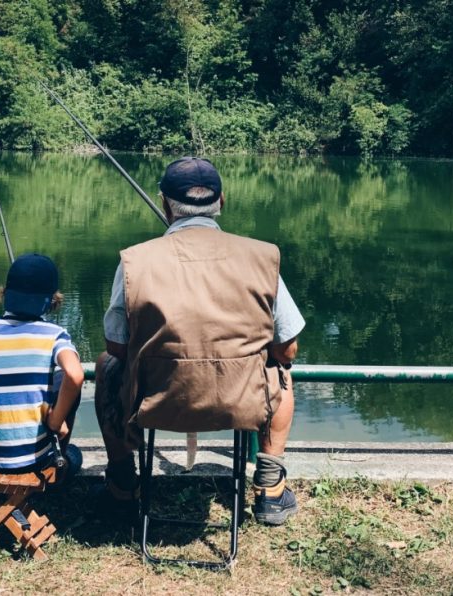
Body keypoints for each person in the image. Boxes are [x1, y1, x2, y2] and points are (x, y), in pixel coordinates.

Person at [94, 157, 305, 525]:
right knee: (281, 373)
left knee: (106, 366)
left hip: (155, 403)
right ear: (222, 201)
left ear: (164, 204)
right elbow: (286, 348)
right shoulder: (262, 257)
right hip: (242, 403)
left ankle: (123, 485)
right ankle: (270, 489)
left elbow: (116, 347)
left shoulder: (134, 262)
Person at [0, 253, 84, 477]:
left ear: (4, 294)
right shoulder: (55, 335)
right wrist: (56, 422)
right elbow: (75, 375)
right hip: (30, 458)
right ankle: (60, 462)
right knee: (75, 455)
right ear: (52, 301)